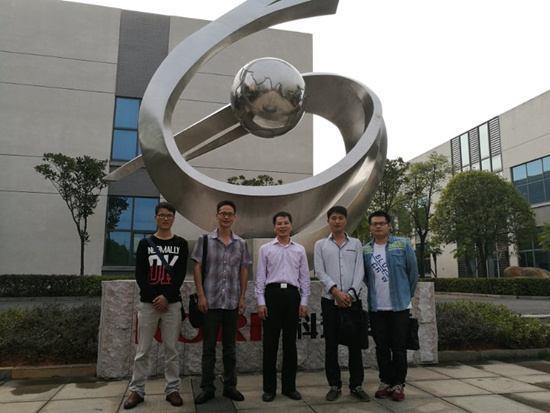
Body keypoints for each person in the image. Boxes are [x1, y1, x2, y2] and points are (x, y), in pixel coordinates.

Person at [124, 202, 189, 410]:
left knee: (172, 350)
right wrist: (155, 298)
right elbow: (140, 275)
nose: (165, 218)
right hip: (148, 304)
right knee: (142, 350)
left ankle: (172, 390)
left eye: (169, 215)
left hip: (172, 304)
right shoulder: (145, 244)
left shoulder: (181, 244)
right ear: (155, 218)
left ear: (173, 219)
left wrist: (166, 297)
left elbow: (179, 275)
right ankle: (137, 390)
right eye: (162, 215)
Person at [191, 200, 252, 405]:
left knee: (230, 347)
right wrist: (201, 295)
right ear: (217, 215)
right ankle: (207, 387)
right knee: (208, 347)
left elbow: (244, 270)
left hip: (232, 302)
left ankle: (230, 386)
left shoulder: (241, 243)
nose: (226, 217)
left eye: (230, 214)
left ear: (234, 217)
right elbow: (197, 268)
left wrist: (242, 297)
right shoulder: (205, 240)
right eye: (223, 213)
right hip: (210, 302)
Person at [314, 206, 370, 402]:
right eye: (333, 218)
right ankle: (334, 385)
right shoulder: (320, 245)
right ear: (328, 221)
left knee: (355, 344)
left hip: (352, 301)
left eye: (340, 218)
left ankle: (356, 385)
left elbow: (360, 270)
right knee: (331, 344)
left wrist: (350, 294)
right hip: (330, 300)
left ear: (346, 220)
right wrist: (336, 292)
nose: (337, 221)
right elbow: (319, 271)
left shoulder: (356, 243)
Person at [255, 211, 311, 402]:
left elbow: (304, 277)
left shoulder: (299, 250)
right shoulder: (266, 249)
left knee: (290, 345)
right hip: (272, 295)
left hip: (292, 297)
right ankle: (269, 389)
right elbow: (260, 277)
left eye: (286, 223)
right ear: (274, 227)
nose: (283, 226)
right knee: (270, 345)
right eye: (279, 223)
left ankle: (289, 387)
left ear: (291, 225)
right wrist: (261, 302)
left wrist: (304, 301)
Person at [363, 210, 418, 402]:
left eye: (381, 223)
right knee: (382, 347)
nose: (378, 226)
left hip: (399, 307)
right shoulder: (366, 250)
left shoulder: (402, 245)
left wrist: (406, 295)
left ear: (389, 225)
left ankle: (399, 383)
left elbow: (413, 273)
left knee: (399, 347)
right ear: (370, 227)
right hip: (377, 307)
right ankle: (385, 381)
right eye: (374, 224)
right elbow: (366, 277)